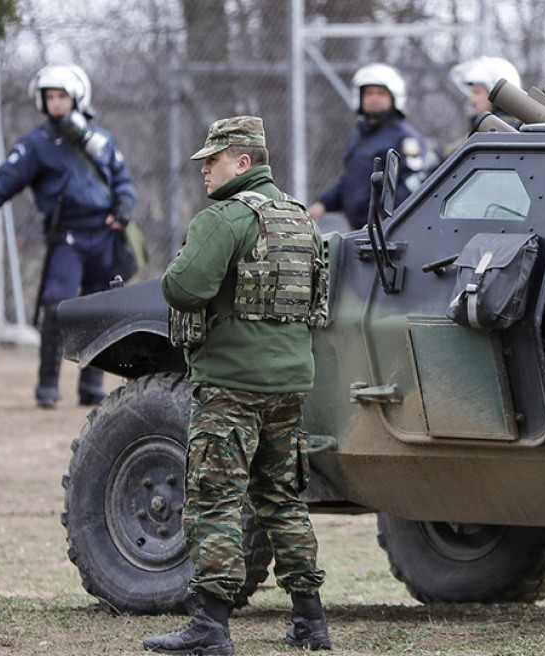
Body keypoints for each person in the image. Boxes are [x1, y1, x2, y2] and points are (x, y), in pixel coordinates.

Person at [144, 116, 330, 655]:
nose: (204, 169)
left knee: (213, 500)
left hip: (230, 385)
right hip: (290, 384)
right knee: (281, 498)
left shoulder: (224, 219)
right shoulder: (301, 220)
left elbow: (182, 287)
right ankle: (310, 621)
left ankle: (210, 625)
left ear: (243, 163)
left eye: (214, 160)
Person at [0, 63, 136, 409]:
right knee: (57, 307)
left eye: (61, 96)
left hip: (104, 236)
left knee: (100, 308)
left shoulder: (102, 139)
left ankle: (91, 385)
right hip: (67, 238)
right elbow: (3, 182)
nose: (55, 103)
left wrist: (124, 207)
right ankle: (47, 384)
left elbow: (122, 180)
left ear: (78, 96)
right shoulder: (36, 143)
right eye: (49, 97)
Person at [308, 63, 427, 230]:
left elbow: (414, 181)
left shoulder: (404, 137)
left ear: (394, 96)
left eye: (381, 93)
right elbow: (350, 181)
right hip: (361, 231)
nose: (374, 98)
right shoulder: (359, 137)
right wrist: (323, 204)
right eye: (369, 93)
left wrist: (386, 215)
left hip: (390, 231)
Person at [444, 55, 522, 157]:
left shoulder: (493, 136)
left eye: (477, 93)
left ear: (498, 95)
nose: (471, 100)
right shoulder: (492, 133)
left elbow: (451, 154)